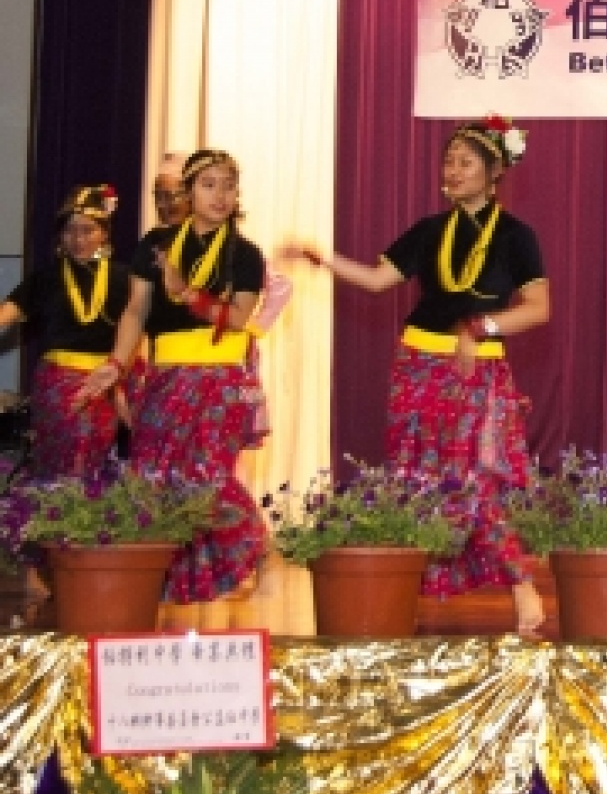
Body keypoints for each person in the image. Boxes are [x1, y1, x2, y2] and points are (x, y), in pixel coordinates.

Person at [290, 117, 550, 634]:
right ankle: (411, 588)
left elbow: (538, 308)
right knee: (418, 477)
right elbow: (376, 279)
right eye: (448, 162)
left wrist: (481, 327)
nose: (452, 171)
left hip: (477, 367)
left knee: (480, 478)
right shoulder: (430, 230)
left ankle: (521, 585)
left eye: (465, 163)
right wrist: (321, 259)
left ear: (493, 172)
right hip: (418, 364)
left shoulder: (517, 236)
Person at [81, 150, 269, 606]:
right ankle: (167, 578)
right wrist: (115, 364)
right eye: (209, 185)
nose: (220, 195)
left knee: (206, 477)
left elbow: (238, 318)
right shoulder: (156, 245)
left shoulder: (245, 254)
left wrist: (186, 293)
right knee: (153, 475)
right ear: (187, 192)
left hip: (220, 381)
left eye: (228, 186)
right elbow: (136, 311)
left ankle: (246, 547)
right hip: (164, 378)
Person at [0, 185, 132, 482]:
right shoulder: (45, 279)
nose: (78, 239)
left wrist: (124, 387)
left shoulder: (123, 279)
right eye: (70, 231)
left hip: (104, 383)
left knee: (94, 460)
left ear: (104, 233)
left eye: (88, 230)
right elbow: (6, 313)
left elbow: (138, 335)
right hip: (56, 385)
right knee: (66, 455)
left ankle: (83, 508)